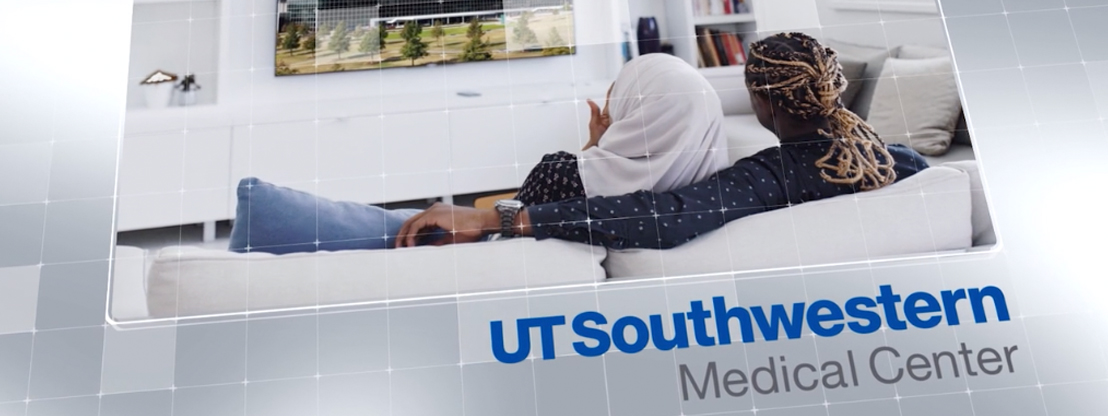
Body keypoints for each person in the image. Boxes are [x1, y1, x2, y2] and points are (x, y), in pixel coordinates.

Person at [393, 32, 931, 249]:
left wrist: (494, 217)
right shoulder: (904, 162)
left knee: (385, 229)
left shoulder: (769, 175)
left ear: (761, 103)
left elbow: (659, 214)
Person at [228, 53, 729, 253]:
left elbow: (502, 223)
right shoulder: (702, 190)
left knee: (345, 222)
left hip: (464, 248)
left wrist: (589, 149)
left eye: (621, 91)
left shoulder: (559, 173)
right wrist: (601, 150)